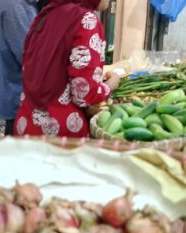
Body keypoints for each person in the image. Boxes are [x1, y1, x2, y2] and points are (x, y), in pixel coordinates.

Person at [14, 0, 120, 137]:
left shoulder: (47, 14)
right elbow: (84, 94)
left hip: (27, 123)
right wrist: (110, 85)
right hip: (60, 132)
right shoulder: (86, 20)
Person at [0, 0, 37, 135]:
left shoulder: (23, 5)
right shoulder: (14, 7)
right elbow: (28, 55)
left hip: (21, 94)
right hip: (18, 97)